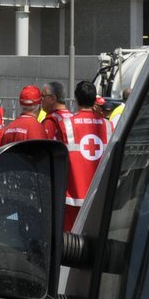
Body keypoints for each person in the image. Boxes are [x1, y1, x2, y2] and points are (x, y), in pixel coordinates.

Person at [65, 80, 113, 231]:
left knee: (71, 246)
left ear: (76, 99)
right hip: (99, 198)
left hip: (73, 199)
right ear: (94, 100)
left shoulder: (66, 125)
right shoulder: (108, 125)